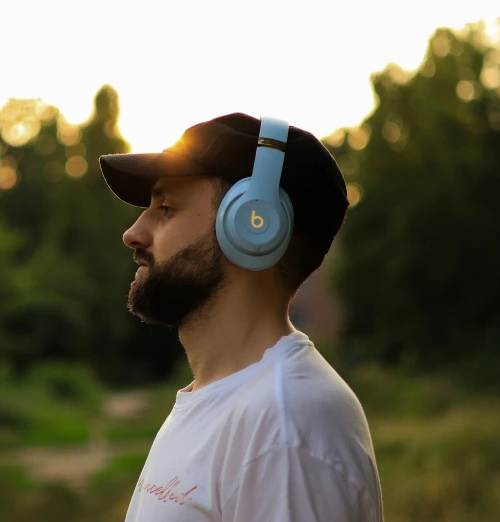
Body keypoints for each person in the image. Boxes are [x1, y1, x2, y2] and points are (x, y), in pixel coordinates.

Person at [98, 113, 383, 522]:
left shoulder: (287, 423)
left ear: (253, 225)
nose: (133, 232)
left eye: (166, 208)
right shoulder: (221, 400)